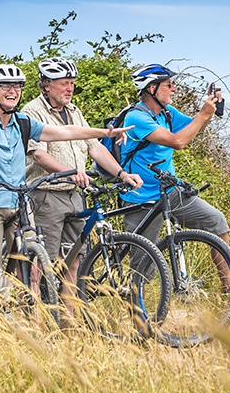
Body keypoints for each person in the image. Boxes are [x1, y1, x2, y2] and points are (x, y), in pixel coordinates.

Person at [0, 63, 131, 284]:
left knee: (31, 261)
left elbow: (65, 132)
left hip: (18, 205)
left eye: (17, 87)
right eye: (6, 87)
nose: (12, 91)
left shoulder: (23, 123)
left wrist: (106, 132)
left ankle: (27, 312)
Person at [21, 57, 142, 299]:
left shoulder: (74, 111)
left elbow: (95, 147)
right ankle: (34, 324)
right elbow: (39, 156)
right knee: (41, 264)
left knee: (73, 261)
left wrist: (121, 173)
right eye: (64, 83)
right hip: (46, 195)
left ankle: (70, 325)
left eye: (72, 83)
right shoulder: (31, 112)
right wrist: (70, 171)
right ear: (46, 85)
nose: (69, 89)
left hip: (74, 195)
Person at [118, 64, 230, 245]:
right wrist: (202, 114)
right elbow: (178, 142)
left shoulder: (167, 113)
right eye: (168, 85)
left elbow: (193, 129)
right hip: (142, 197)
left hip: (169, 191)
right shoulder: (136, 118)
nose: (174, 89)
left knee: (216, 223)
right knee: (144, 263)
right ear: (152, 88)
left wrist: (209, 112)